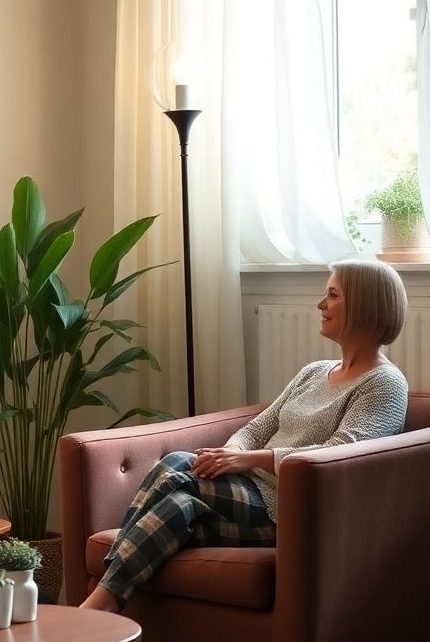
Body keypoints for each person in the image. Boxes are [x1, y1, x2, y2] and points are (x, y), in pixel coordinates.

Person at [81, 260, 410, 613]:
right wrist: (229, 454)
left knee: (178, 462)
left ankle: (94, 608)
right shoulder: (314, 372)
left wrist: (248, 459)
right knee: (179, 506)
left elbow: (344, 454)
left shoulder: (384, 384)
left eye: (332, 295)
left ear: (364, 305)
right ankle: (99, 619)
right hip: (249, 491)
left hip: (291, 511)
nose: (321, 304)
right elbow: (257, 428)